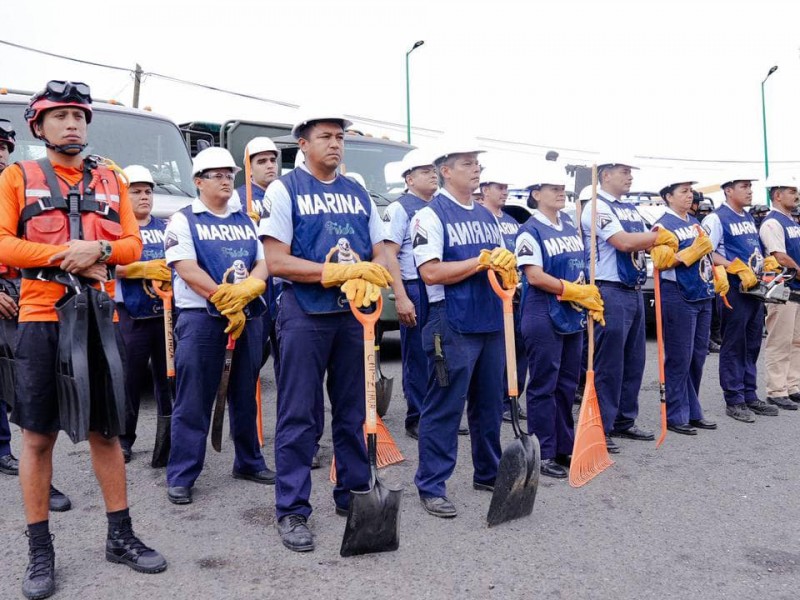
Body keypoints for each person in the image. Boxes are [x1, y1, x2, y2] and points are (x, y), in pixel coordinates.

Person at [0, 80, 166, 599]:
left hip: (99, 317)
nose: (73, 123)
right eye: (60, 116)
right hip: (40, 318)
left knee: (107, 433)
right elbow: (3, 241)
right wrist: (60, 255)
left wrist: (93, 250)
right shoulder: (15, 176)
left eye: (79, 116)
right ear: (38, 125)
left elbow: (133, 241)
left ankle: (120, 536)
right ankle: (40, 550)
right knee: (36, 436)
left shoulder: (110, 176)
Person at [259, 111, 392, 551]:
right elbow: (276, 262)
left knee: (356, 412)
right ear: (303, 144)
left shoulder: (357, 191)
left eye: (340, 137)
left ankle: (353, 494)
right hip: (303, 313)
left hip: (354, 315)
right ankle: (293, 510)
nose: (335, 144)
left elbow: (379, 249)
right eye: (325, 137)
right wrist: (330, 272)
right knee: (300, 415)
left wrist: (380, 277)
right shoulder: (285, 189)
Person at [164, 147, 274, 505]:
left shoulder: (245, 220)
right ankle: (181, 474)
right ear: (199, 182)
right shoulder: (184, 220)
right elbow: (185, 267)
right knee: (193, 397)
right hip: (202, 319)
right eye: (217, 175)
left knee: (245, 392)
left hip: (248, 316)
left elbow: (262, 262)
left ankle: (249, 461)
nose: (226, 180)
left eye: (229, 174)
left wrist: (249, 290)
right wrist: (222, 297)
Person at [411, 140, 516, 518]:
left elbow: (502, 265)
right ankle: (431, 484)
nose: (476, 170)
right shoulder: (430, 215)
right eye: (467, 164)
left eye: (477, 164)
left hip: (490, 319)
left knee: (489, 406)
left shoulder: (490, 216)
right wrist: (480, 261)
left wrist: (506, 266)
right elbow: (431, 272)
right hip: (451, 322)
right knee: (444, 406)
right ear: (445, 170)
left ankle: (487, 473)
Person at [579, 158, 678, 453]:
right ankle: (601, 426)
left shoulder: (629, 207)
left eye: (630, 173)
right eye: (624, 172)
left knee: (634, 361)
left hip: (632, 288)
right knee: (609, 363)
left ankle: (624, 419)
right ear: (605, 175)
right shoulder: (597, 207)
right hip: (608, 289)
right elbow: (622, 241)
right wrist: (658, 237)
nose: (629, 177)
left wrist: (655, 238)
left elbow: (648, 237)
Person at [0, 119, 73, 513]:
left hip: (24, 298)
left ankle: (37, 477)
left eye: (2, 145)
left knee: (27, 397)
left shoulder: (27, 183)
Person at [515, 166, 603, 478]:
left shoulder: (568, 223)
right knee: (544, 385)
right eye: (553, 188)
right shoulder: (529, 230)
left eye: (562, 187)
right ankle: (543, 451)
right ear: (536, 194)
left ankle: (565, 446)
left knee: (567, 384)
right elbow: (534, 276)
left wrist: (587, 293)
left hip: (572, 311)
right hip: (542, 311)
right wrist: (572, 290)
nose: (560, 192)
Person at [702, 175, 777, 422]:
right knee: (734, 344)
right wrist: (734, 267)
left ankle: (749, 394)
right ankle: (734, 399)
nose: (749, 191)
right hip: (733, 289)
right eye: (744, 187)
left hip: (754, 288)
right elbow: (707, 252)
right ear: (728, 190)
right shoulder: (716, 218)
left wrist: (766, 261)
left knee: (753, 342)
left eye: (750, 187)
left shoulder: (746, 217)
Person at [649, 176, 719, 435]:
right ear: (669, 196)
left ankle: (692, 409)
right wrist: (691, 253)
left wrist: (716, 275)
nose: (690, 195)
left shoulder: (695, 222)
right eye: (684, 191)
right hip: (678, 294)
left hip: (702, 292)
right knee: (680, 357)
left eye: (691, 191)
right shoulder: (662, 225)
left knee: (698, 356)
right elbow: (662, 262)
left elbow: (707, 255)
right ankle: (675, 414)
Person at [115, 165, 172, 462]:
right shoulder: (120, 230)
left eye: (148, 191)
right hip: (131, 315)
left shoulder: (166, 228)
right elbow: (111, 265)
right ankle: (124, 439)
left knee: (168, 379)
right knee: (129, 380)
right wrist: (140, 269)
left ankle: (168, 438)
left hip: (164, 315)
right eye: (136, 192)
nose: (144, 197)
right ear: (124, 195)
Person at [383, 148, 437, 440]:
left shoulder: (439, 206)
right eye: (425, 170)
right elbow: (389, 254)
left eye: (433, 169)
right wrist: (401, 296)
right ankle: (416, 416)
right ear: (409, 178)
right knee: (417, 356)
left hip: (439, 286)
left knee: (440, 352)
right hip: (415, 286)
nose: (432, 174)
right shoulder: (400, 208)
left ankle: (438, 413)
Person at [479, 167, 526, 421]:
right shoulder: (482, 218)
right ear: (485, 190)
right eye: (500, 187)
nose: (505, 192)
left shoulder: (511, 221)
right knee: (498, 351)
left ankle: (514, 399)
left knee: (520, 349)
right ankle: (497, 400)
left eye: (507, 187)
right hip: (493, 292)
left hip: (516, 290)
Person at [758, 174, 800, 409]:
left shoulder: (791, 221)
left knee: (796, 342)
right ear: (777, 195)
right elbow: (779, 256)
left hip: (796, 289)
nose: (796, 195)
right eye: (791, 190)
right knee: (780, 341)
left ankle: (792, 386)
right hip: (781, 290)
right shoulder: (773, 222)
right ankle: (776, 390)